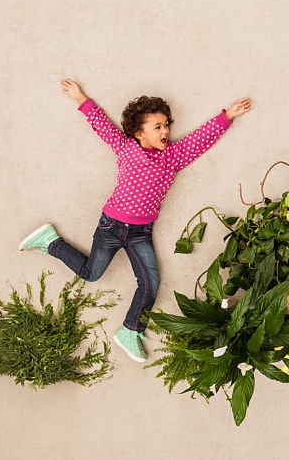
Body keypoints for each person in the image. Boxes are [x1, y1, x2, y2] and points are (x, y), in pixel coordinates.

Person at [18, 78, 251, 362]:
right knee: (92, 274)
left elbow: (200, 140)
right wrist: (81, 98)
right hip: (112, 227)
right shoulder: (127, 148)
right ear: (139, 134)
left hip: (141, 232)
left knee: (151, 282)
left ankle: (130, 330)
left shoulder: (173, 157)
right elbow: (101, 125)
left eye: (167, 125)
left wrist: (226, 117)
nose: (165, 130)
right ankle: (51, 242)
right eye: (157, 127)